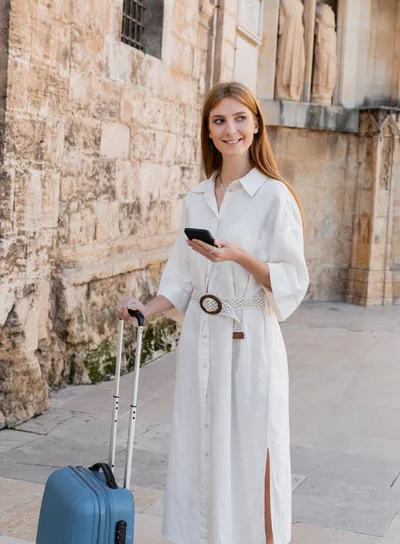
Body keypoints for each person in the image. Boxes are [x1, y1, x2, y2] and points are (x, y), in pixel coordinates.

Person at [115, 82, 309, 544]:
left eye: (240, 118)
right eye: (219, 120)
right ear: (208, 130)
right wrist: (145, 307)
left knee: (245, 454)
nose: (231, 129)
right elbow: (181, 281)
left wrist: (239, 256)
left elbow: (292, 279)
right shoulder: (196, 198)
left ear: (256, 124)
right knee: (197, 451)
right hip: (200, 338)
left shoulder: (275, 196)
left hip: (249, 341)